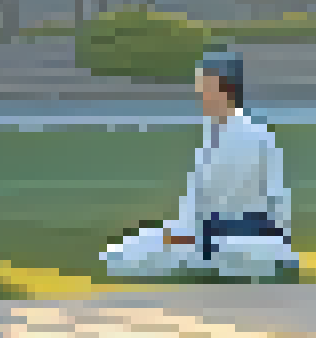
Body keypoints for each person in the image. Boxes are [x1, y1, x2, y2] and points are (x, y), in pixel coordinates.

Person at [99, 48, 298, 283]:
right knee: (135, 243)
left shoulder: (256, 136)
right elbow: (197, 205)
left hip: (237, 239)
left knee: (130, 255)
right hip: (219, 237)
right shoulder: (214, 136)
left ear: (226, 89)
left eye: (206, 87)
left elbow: (274, 200)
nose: (201, 94)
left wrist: (186, 235)